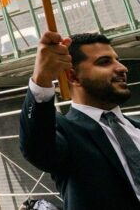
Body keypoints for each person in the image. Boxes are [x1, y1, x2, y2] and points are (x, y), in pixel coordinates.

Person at [19, 30, 140, 209]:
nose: (122, 68)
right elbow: (37, 148)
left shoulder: (136, 127)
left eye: (118, 60)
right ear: (73, 76)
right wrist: (42, 78)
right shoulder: (64, 131)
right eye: (104, 62)